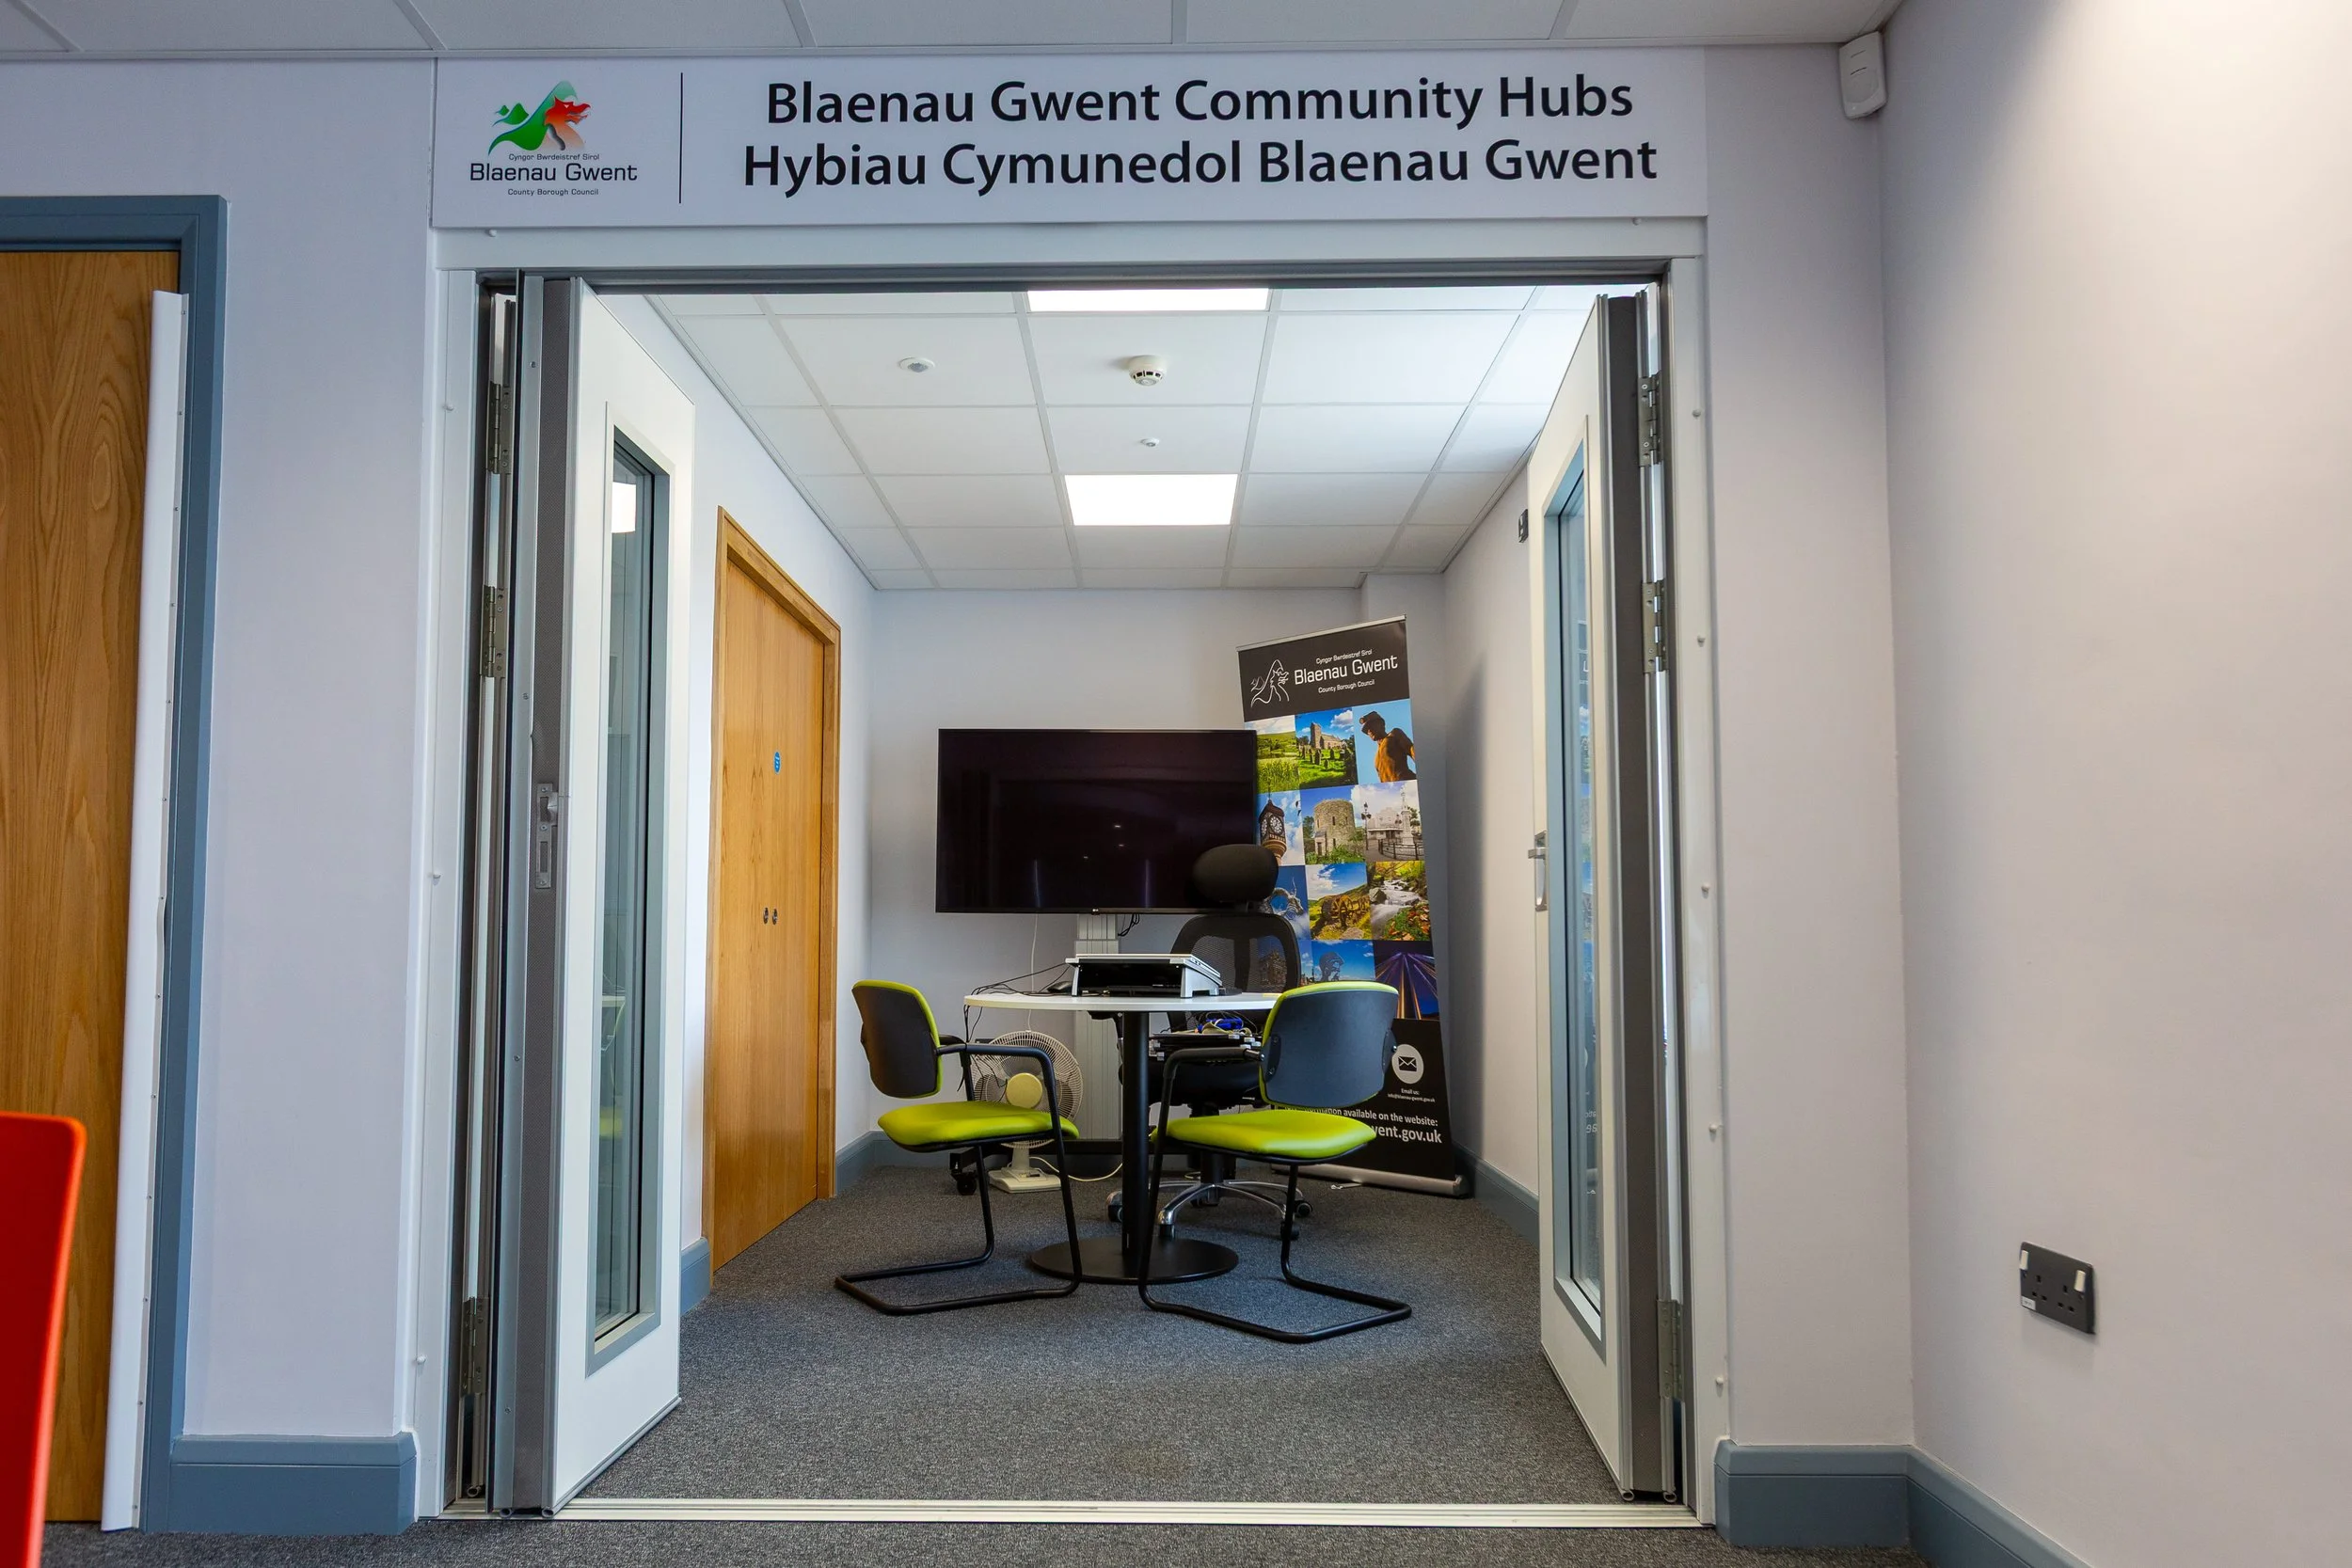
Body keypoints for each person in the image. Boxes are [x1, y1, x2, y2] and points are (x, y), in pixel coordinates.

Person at [1359, 710, 1415, 781]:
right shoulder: (1376, 759)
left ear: (1381, 724)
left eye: (1371, 725)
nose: (1369, 730)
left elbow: (1411, 750)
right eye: (1366, 730)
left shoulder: (1394, 734)